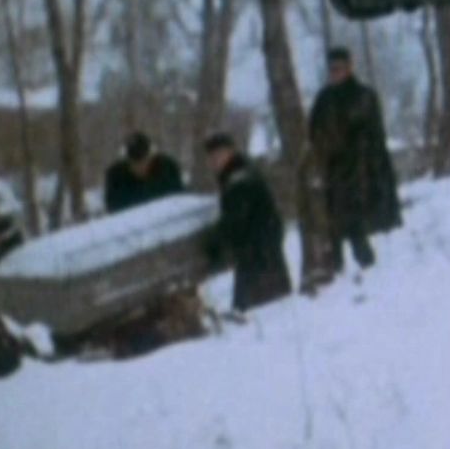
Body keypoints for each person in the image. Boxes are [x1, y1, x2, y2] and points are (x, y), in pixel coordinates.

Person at [307, 46, 400, 273]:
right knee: (333, 229)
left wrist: (372, 168)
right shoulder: (324, 99)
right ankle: (337, 272)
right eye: (331, 69)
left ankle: (369, 270)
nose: (335, 73)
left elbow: (374, 137)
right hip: (333, 172)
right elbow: (314, 132)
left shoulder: (364, 97)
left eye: (339, 68)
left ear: (349, 68)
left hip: (360, 172)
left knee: (356, 226)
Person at [201, 133, 292, 312]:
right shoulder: (238, 172)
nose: (214, 161)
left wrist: (214, 243)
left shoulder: (238, 177)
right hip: (260, 241)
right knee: (268, 296)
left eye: (219, 155)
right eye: (211, 157)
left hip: (257, 243)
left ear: (230, 152)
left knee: (256, 304)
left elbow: (235, 218)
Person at [104, 131, 185, 214]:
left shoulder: (167, 169)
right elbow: (114, 210)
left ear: (151, 156)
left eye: (143, 160)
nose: (140, 165)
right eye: (134, 162)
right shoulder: (116, 176)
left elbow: (180, 199)